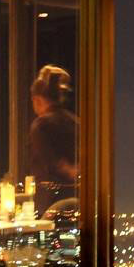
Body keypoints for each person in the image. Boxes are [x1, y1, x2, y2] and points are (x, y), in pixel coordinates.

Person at [28, 65, 77, 215]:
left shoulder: (41, 125)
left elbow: (50, 163)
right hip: (77, 201)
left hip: (50, 205)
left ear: (37, 100)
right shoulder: (76, 123)